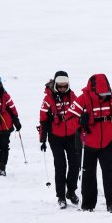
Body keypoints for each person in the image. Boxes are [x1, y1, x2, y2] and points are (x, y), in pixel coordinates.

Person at [71, 74, 112, 212]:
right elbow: (69, 119)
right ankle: (88, 205)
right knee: (88, 174)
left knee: (109, 172)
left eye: (106, 93)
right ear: (94, 91)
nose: (105, 96)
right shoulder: (82, 100)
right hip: (87, 143)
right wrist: (80, 121)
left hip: (108, 141)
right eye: (102, 94)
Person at [40, 71, 81, 207]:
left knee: (75, 164)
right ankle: (61, 196)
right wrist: (43, 139)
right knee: (60, 166)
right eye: (60, 86)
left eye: (65, 86)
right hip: (55, 137)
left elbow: (80, 113)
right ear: (56, 85)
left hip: (72, 136)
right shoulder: (48, 99)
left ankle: (71, 191)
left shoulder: (73, 97)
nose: (63, 88)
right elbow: (43, 120)